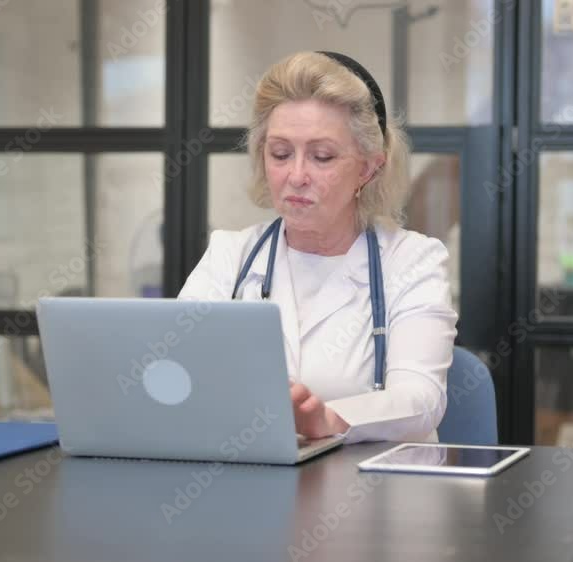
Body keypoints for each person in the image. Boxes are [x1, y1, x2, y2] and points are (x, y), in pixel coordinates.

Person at [177, 51, 457, 444]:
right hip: (252, 486)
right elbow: (177, 372)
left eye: (322, 156)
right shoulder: (230, 256)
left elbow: (421, 399)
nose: (296, 175)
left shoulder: (411, 261)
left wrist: (332, 419)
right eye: (280, 154)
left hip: (376, 493)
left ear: (369, 168)